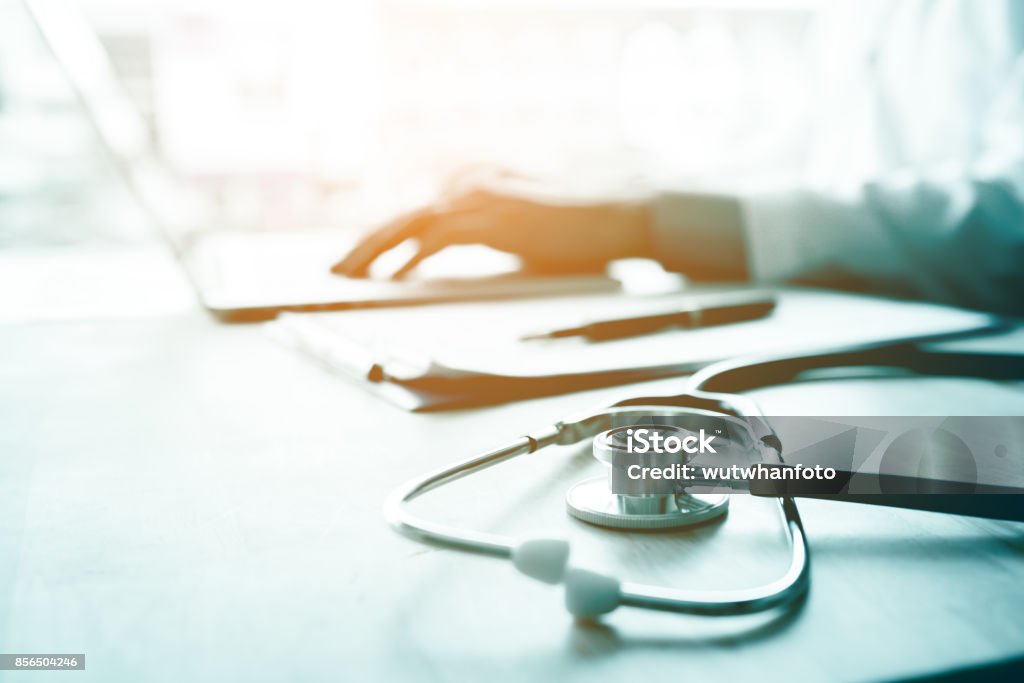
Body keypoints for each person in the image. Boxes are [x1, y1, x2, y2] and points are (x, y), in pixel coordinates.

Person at [333, 0, 1024, 315]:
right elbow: (825, 166)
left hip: (985, 427)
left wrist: (642, 223)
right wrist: (603, 196)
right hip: (863, 351)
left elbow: (1007, 230)